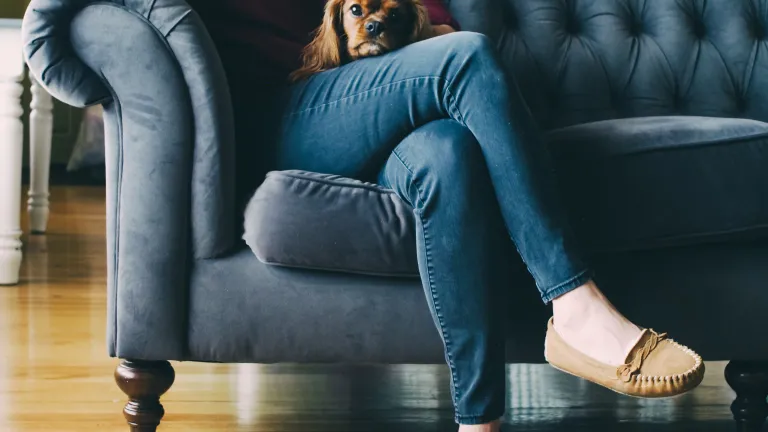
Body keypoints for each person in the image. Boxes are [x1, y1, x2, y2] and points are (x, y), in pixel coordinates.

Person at [190, 1, 704, 431]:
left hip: (382, 96)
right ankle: (575, 306)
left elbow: (432, 16)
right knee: (466, 56)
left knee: (448, 152)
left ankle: (478, 422)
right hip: (283, 109)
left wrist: (417, 36)